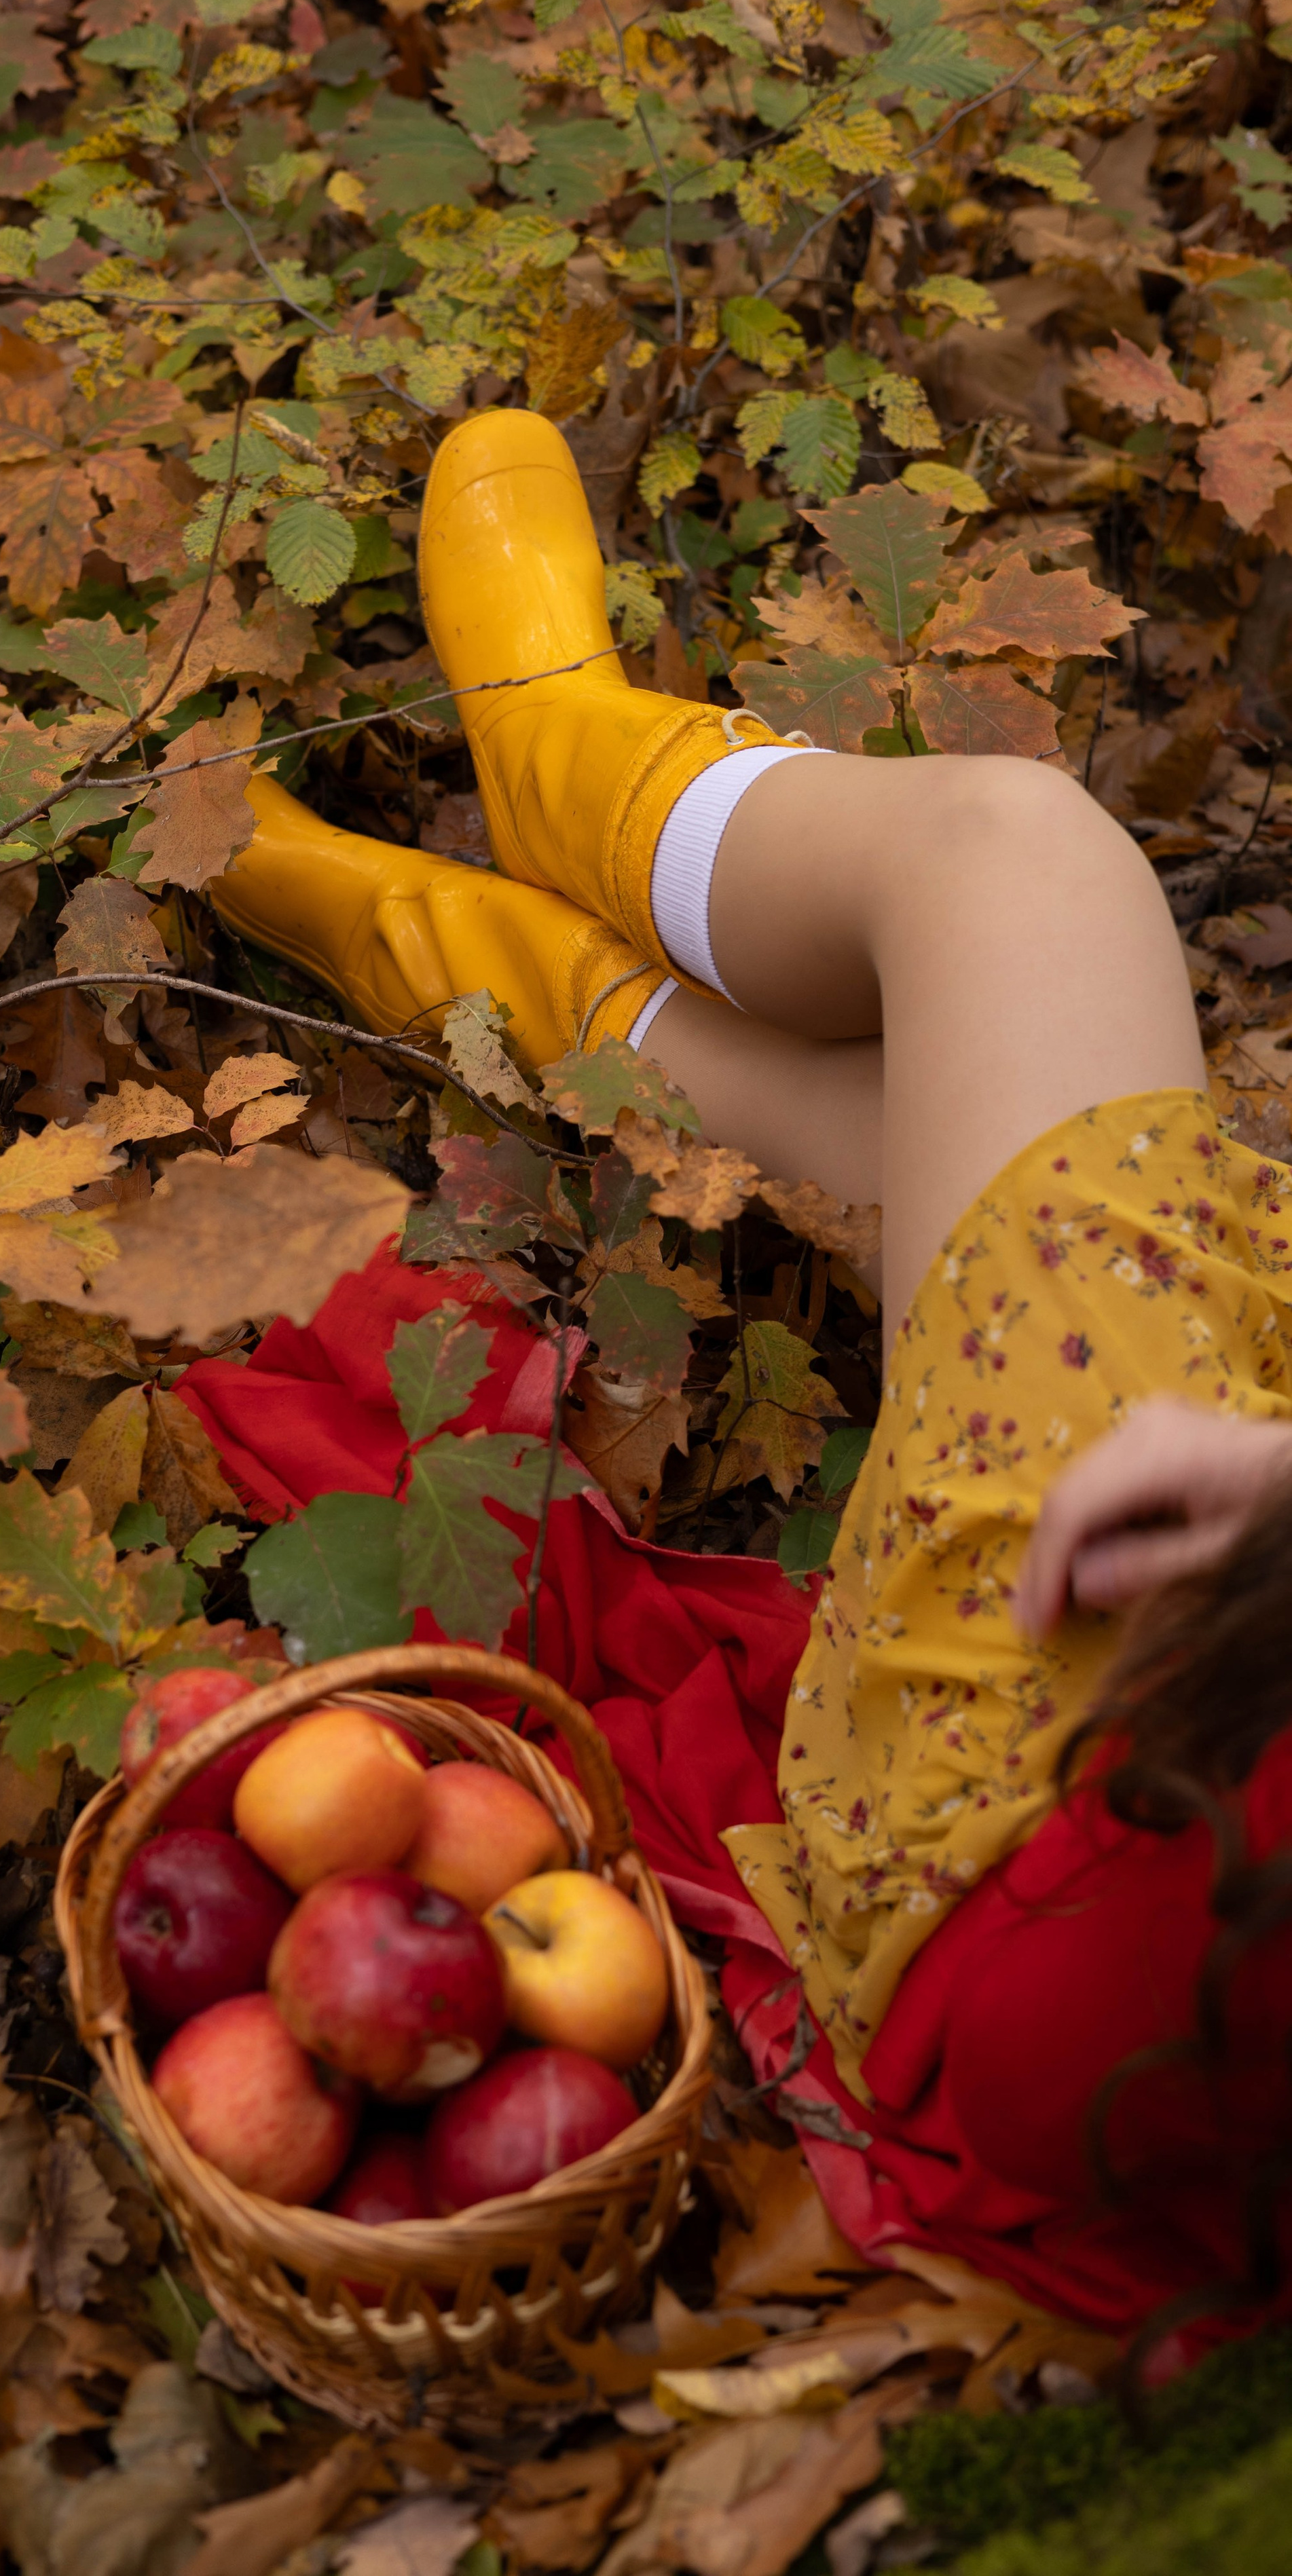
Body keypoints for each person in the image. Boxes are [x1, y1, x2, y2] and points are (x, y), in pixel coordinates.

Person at [207, 411, 1292, 2356]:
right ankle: (528, 976)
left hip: (1093, 1891)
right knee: (935, 1138)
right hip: (1192, 1895)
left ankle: (555, 785)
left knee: (1015, 867)